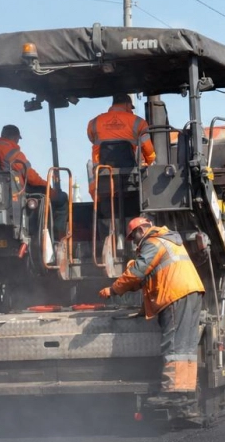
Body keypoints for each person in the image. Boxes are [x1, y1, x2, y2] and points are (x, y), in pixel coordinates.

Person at [99, 217, 205, 410]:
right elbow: (149, 278)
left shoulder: (153, 242)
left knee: (173, 345)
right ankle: (185, 390)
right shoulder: (167, 240)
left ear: (141, 230)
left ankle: (173, 393)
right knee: (185, 346)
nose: (135, 241)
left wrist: (114, 290)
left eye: (134, 236)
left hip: (175, 294)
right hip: (191, 292)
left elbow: (138, 272)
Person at [0, 124, 68, 239]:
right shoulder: (12, 152)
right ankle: (58, 236)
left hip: (4, 194)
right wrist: (47, 186)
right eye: (18, 139)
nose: (18, 142)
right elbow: (31, 177)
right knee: (62, 198)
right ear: (15, 137)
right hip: (17, 192)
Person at [87, 93, 156, 198]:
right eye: (131, 108)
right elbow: (148, 150)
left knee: (90, 167)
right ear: (127, 105)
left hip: (103, 173)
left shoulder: (94, 123)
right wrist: (150, 161)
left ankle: (99, 205)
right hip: (129, 174)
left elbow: (93, 140)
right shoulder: (138, 122)